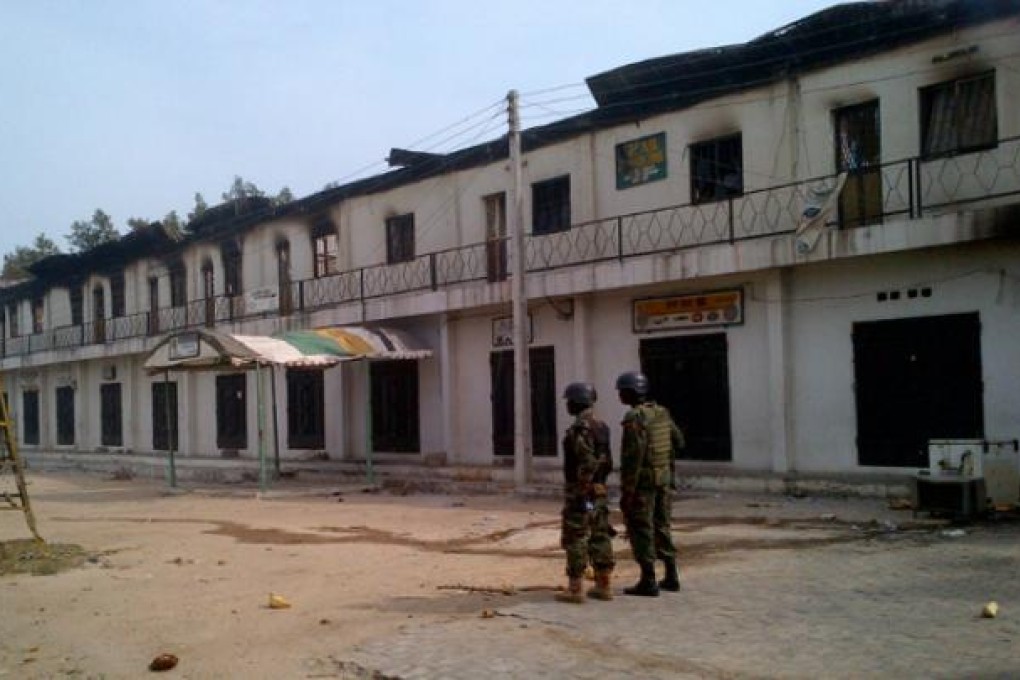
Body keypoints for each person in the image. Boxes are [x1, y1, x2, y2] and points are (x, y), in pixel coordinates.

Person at [616, 371, 684, 597]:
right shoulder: (662, 413)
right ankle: (672, 575)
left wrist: (627, 492)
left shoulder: (634, 418)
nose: (619, 394)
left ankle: (648, 580)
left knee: (641, 528)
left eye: (622, 390)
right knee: (662, 525)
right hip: (663, 480)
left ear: (632, 392)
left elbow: (631, 459)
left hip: (643, 484)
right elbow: (679, 441)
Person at [556, 381, 615, 603]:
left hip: (581, 493)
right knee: (600, 534)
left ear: (577, 402)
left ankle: (575, 588)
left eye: (569, 401)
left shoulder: (579, 430)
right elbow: (606, 462)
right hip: (598, 490)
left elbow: (587, 462)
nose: (567, 405)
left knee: (576, 537)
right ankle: (603, 585)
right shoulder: (602, 427)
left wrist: (582, 490)